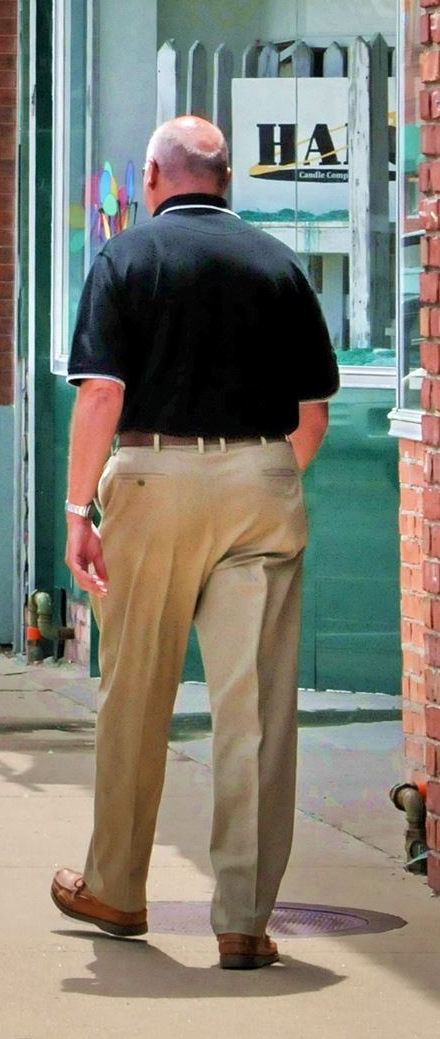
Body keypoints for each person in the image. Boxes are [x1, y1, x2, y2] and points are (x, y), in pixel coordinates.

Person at [52, 114, 339, 970]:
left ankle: (116, 887)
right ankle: (244, 919)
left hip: (152, 479)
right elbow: (312, 415)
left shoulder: (126, 258)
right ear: (226, 181)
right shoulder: (279, 263)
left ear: (151, 178)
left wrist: (76, 510)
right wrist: (260, 476)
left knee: (135, 691)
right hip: (261, 480)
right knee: (254, 711)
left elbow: (101, 395)